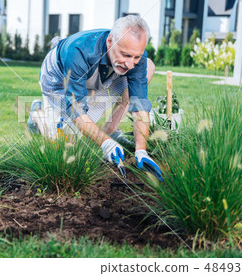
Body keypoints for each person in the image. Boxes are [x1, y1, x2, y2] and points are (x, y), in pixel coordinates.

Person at [28, 15, 162, 181]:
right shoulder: (77, 51)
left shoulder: (133, 59)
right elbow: (76, 110)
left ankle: (110, 132)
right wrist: (105, 143)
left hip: (100, 74)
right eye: (126, 55)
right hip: (58, 81)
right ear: (110, 41)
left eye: (135, 57)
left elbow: (139, 106)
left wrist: (141, 149)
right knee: (65, 146)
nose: (130, 64)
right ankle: (38, 114)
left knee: (148, 66)